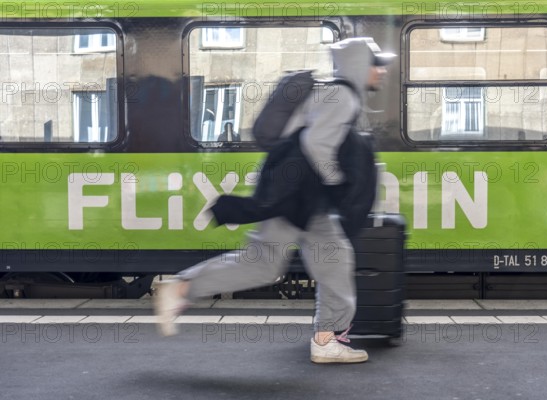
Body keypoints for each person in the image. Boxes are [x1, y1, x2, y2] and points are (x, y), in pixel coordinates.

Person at [153, 37, 395, 364]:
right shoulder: (343, 97)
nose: (380, 71)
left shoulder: (332, 93)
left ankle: (326, 340)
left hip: (303, 195)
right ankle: (181, 288)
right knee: (263, 265)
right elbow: (316, 144)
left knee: (334, 260)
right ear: (358, 65)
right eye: (375, 64)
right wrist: (337, 179)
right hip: (299, 195)